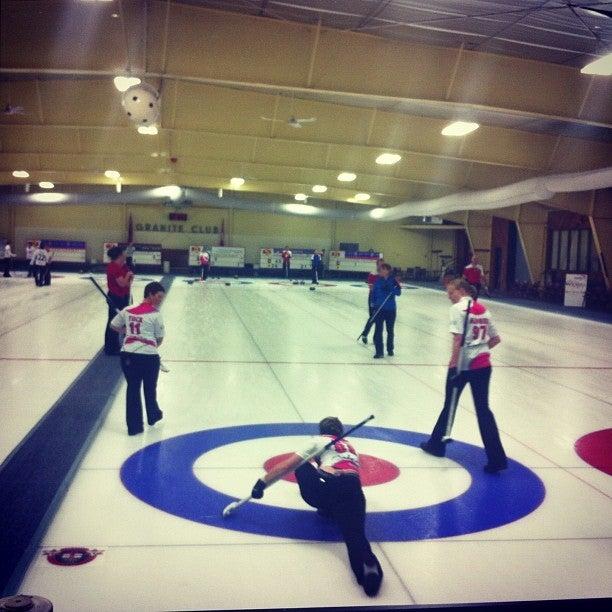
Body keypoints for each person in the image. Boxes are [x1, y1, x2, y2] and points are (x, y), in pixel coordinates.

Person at [250, 417, 383, 597]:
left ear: (322, 431)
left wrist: (261, 484)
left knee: (301, 466)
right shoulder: (350, 447)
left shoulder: (318, 441)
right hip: (354, 493)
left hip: (329, 492)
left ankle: (328, 508)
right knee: (355, 537)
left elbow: (286, 466)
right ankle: (369, 568)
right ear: (340, 431)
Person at [420, 279, 507, 473]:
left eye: (451, 292)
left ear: (461, 290)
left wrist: (453, 363)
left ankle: (436, 445)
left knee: (449, 405)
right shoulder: (484, 309)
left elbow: (458, 338)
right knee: (484, 411)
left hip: (462, 367)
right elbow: (496, 339)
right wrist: (480, 350)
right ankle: (497, 458)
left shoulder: (458, 309)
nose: (449, 297)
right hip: (483, 366)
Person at [110, 282, 165, 436]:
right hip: (149, 357)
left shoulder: (127, 310)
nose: (160, 300)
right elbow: (159, 339)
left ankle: (134, 427)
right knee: (150, 388)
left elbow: (113, 325)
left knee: (133, 388)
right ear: (150, 295)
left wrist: (126, 331)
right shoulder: (155, 314)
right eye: (159, 297)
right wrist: (150, 345)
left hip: (128, 356)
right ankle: (153, 416)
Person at [105, 246, 134, 355]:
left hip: (124, 296)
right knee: (113, 321)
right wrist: (127, 276)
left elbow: (128, 283)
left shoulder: (124, 266)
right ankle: (110, 347)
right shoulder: (113, 267)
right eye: (123, 253)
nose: (125, 254)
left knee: (122, 321)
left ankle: (117, 344)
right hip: (115, 297)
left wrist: (128, 278)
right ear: (120, 255)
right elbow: (122, 283)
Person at [370, 263, 401, 359]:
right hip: (379, 308)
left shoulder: (393, 281)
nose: (380, 271)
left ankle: (390, 348)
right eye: (380, 269)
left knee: (390, 330)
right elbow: (374, 292)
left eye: (383, 269)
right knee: (378, 330)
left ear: (387, 271)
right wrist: (373, 303)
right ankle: (379, 351)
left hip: (390, 309)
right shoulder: (378, 281)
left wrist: (390, 287)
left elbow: (398, 293)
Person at [361, 258, 384, 345]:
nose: (382, 266)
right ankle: (365, 334)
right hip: (373, 297)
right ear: (377, 264)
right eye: (380, 264)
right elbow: (371, 288)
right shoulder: (373, 273)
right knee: (373, 317)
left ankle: (375, 337)